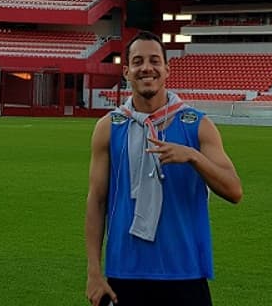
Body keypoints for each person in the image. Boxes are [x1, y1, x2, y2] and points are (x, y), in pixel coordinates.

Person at [85, 30, 243, 306]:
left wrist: (193, 156)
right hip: (124, 273)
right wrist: (94, 271)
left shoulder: (197, 125)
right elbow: (96, 201)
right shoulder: (109, 127)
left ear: (167, 69)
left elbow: (234, 191)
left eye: (155, 61)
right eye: (138, 61)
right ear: (127, 71)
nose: (147, 68)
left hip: (184, 272)